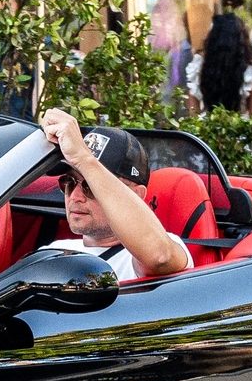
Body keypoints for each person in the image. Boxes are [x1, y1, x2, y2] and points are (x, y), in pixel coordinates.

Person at [38, 110, 191, 281]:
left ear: (137, 194)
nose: (75, 197)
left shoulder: (159, 247)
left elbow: (159, 257)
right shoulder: (52, 252)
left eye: (91, 186)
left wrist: (83, 158)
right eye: (69, 182)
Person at [187, 10, 252, 117]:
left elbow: (193, 115)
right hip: (239, 131)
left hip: (205, 132)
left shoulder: (198, 69)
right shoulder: (251, 72)